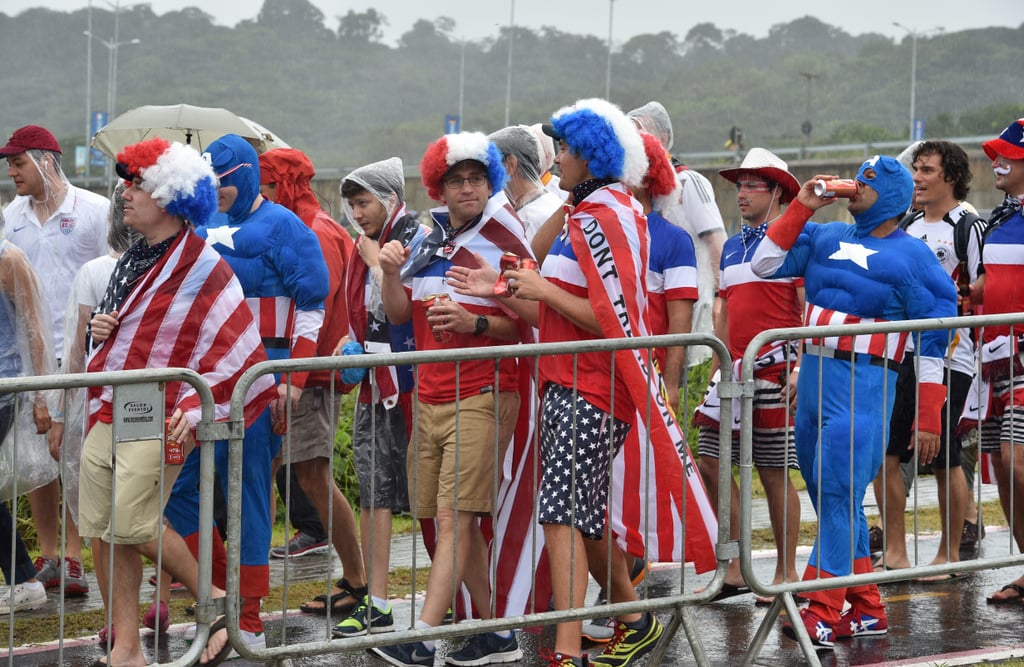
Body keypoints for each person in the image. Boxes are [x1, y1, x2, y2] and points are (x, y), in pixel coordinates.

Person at [78, 137, 277, 667]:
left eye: (137, 184)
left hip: (161, 411)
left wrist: (192, 410)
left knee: (136, 523)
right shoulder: (131, 260)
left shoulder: (204, 265)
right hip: (110, 405)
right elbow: (129, 332)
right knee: (109, 529)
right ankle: (126, 647)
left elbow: (236, 351)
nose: (125, 193)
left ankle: (215, 603)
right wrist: (104, 330)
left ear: (169, 196)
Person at [750, 155, 957, 648]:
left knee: (840, 494)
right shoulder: (825, 236)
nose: (855, 187)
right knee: (832, 501)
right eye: (856, 179)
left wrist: (928, 417)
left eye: (867, 181)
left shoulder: (915, 258)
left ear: (890, 193)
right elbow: (764, 262)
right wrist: (802, 206)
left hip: (866, 389)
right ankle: (866, 606)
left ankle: (820, 607)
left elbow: (933, 345)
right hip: (816, 384)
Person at [161, 134, 336, 657]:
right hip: (202, 383)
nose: (217, 190)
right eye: (209, 182)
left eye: (223, 181)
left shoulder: (284, 225)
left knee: (249, 492)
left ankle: (250, 614)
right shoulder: (197, 225)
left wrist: (294, 380)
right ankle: (218, 597)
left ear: (244, 174)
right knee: (180, 490)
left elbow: (312, 305)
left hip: (261, 380)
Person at [371, 131, 531, 667]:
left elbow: (535, 317)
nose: (467, 188)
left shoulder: (506, 232)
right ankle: (497, 632)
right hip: (431, 395)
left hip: (485, 390)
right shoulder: (426, 234)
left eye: (477, 178)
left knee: (456, 516)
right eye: (456, 179)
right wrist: (390, 273)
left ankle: (422, 637)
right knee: (447, 520)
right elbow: (398, 316)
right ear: (438, 186)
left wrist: (477, 319)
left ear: (492, 182)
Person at [256, 147, 370, 618]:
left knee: (312, 475)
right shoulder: (302, 224)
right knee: (291, 473)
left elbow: (313, 312)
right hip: (295, 372)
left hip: (307, 375)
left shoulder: (314, 231)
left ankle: (359, 579)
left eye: (263, 186)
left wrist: (294, 375)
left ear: (281, 185)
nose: (256, 197)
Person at [1, 124, 110, 596]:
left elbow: (116, 271)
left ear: (46, 160)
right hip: (29, 356)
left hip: (82, 351)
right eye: (9, 164)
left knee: (75, 455)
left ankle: (74, 554)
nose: (12, 172)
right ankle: (49, 552)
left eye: (19, 163)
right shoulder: (12, 217)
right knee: (39, 457)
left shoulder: (93, 210)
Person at [694, 147, 803, 604]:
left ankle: (786, 571)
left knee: (774, 472)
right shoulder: (734, 244)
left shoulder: (796, 239)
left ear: (777, 190)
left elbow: (806, 305)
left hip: (775, 369)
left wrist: (801, 364)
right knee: (709, 460)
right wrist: (718, 364)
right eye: (738, 185)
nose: (741, 193)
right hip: (732, 373)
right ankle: (737, 567)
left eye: (753, 185)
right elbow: (724, 307)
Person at [871, 140, 983, 579]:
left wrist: (957, 300)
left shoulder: (968, 226)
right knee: (888, 452)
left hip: (952, 358)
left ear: (950, 177)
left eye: (927, 170)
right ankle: (895, 551)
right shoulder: (908, 225)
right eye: (915, 169)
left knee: (944, 456)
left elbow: (982, 286)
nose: (916, 177)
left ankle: (949, 554)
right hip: (903, 354)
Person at [333, 156, 428, 637]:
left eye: (364, 201)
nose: (357, 212)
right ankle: (377, 598)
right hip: (374, 379)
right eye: (351, 204)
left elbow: (405, 310)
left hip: (410, 382)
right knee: (373, 490)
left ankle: (457, 597)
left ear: (391, 198)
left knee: (427, 497)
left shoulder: (415, 236)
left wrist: (378, 266)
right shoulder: (365, 243)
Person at [961, 118, 1024, 604]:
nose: (996, 162)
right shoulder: (999, 218)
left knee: (1017, 463)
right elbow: (986, 283)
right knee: (1003, 469)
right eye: (996, 153)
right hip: (995, 355)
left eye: (1008, 154)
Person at [627, 101, 727, 367]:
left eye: (643, 131)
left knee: (690, 394)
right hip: (663, 305)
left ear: (664, 138)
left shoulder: (688, 182)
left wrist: (721, 298)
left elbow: (717, 241)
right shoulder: (637, 192)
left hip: (697, 305)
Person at [0, 216, 55, 615]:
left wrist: (41, 396)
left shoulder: (10, 259)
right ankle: (22, 578)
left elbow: (35, 327)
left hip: (5, 384)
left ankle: (24, 579)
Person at [488, 125, 565, 240]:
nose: (488, 176)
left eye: (493, 165)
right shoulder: (554, 207)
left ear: (510, 164)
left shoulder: (533, 217)